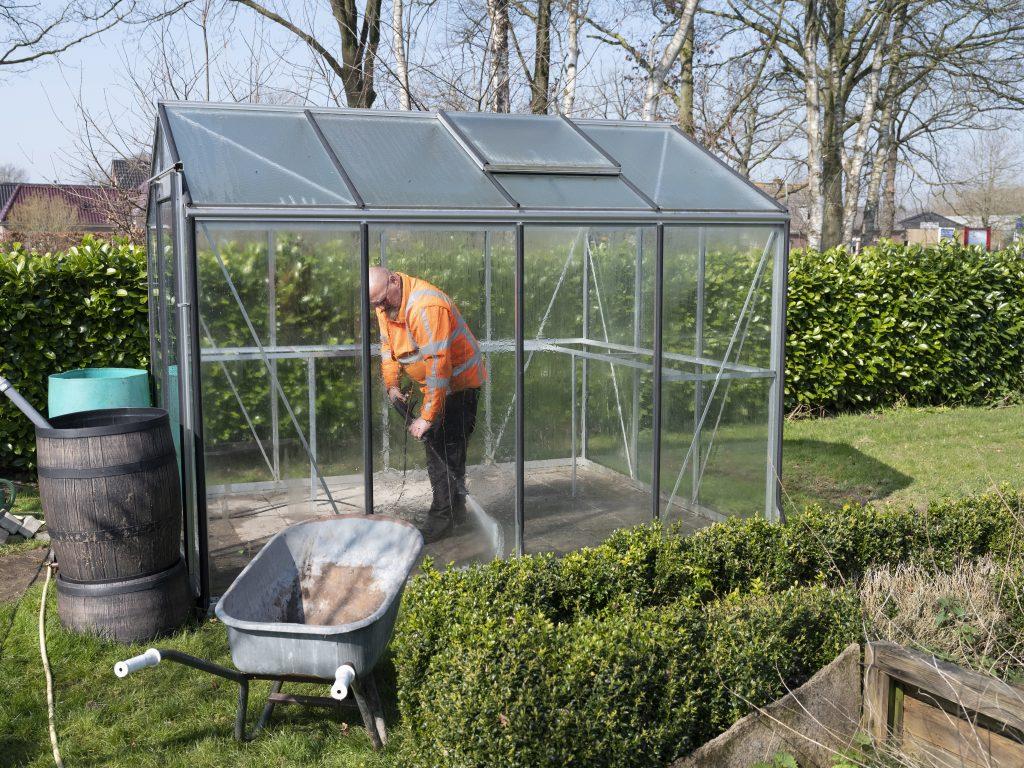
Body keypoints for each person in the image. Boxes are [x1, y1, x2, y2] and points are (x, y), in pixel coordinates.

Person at [368, 266, 485, 542]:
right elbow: (388, 348)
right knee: (445, 451)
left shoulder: (425, 306)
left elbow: (438, 368)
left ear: (394, 281)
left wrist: (428, 417)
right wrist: (392, 385)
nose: (381, 309)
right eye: (376, 305)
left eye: (383, 301)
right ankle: (455, 512)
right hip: (436, 386)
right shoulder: (385, 305)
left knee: (442, 454)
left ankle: (442, 521)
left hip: (459, 385)